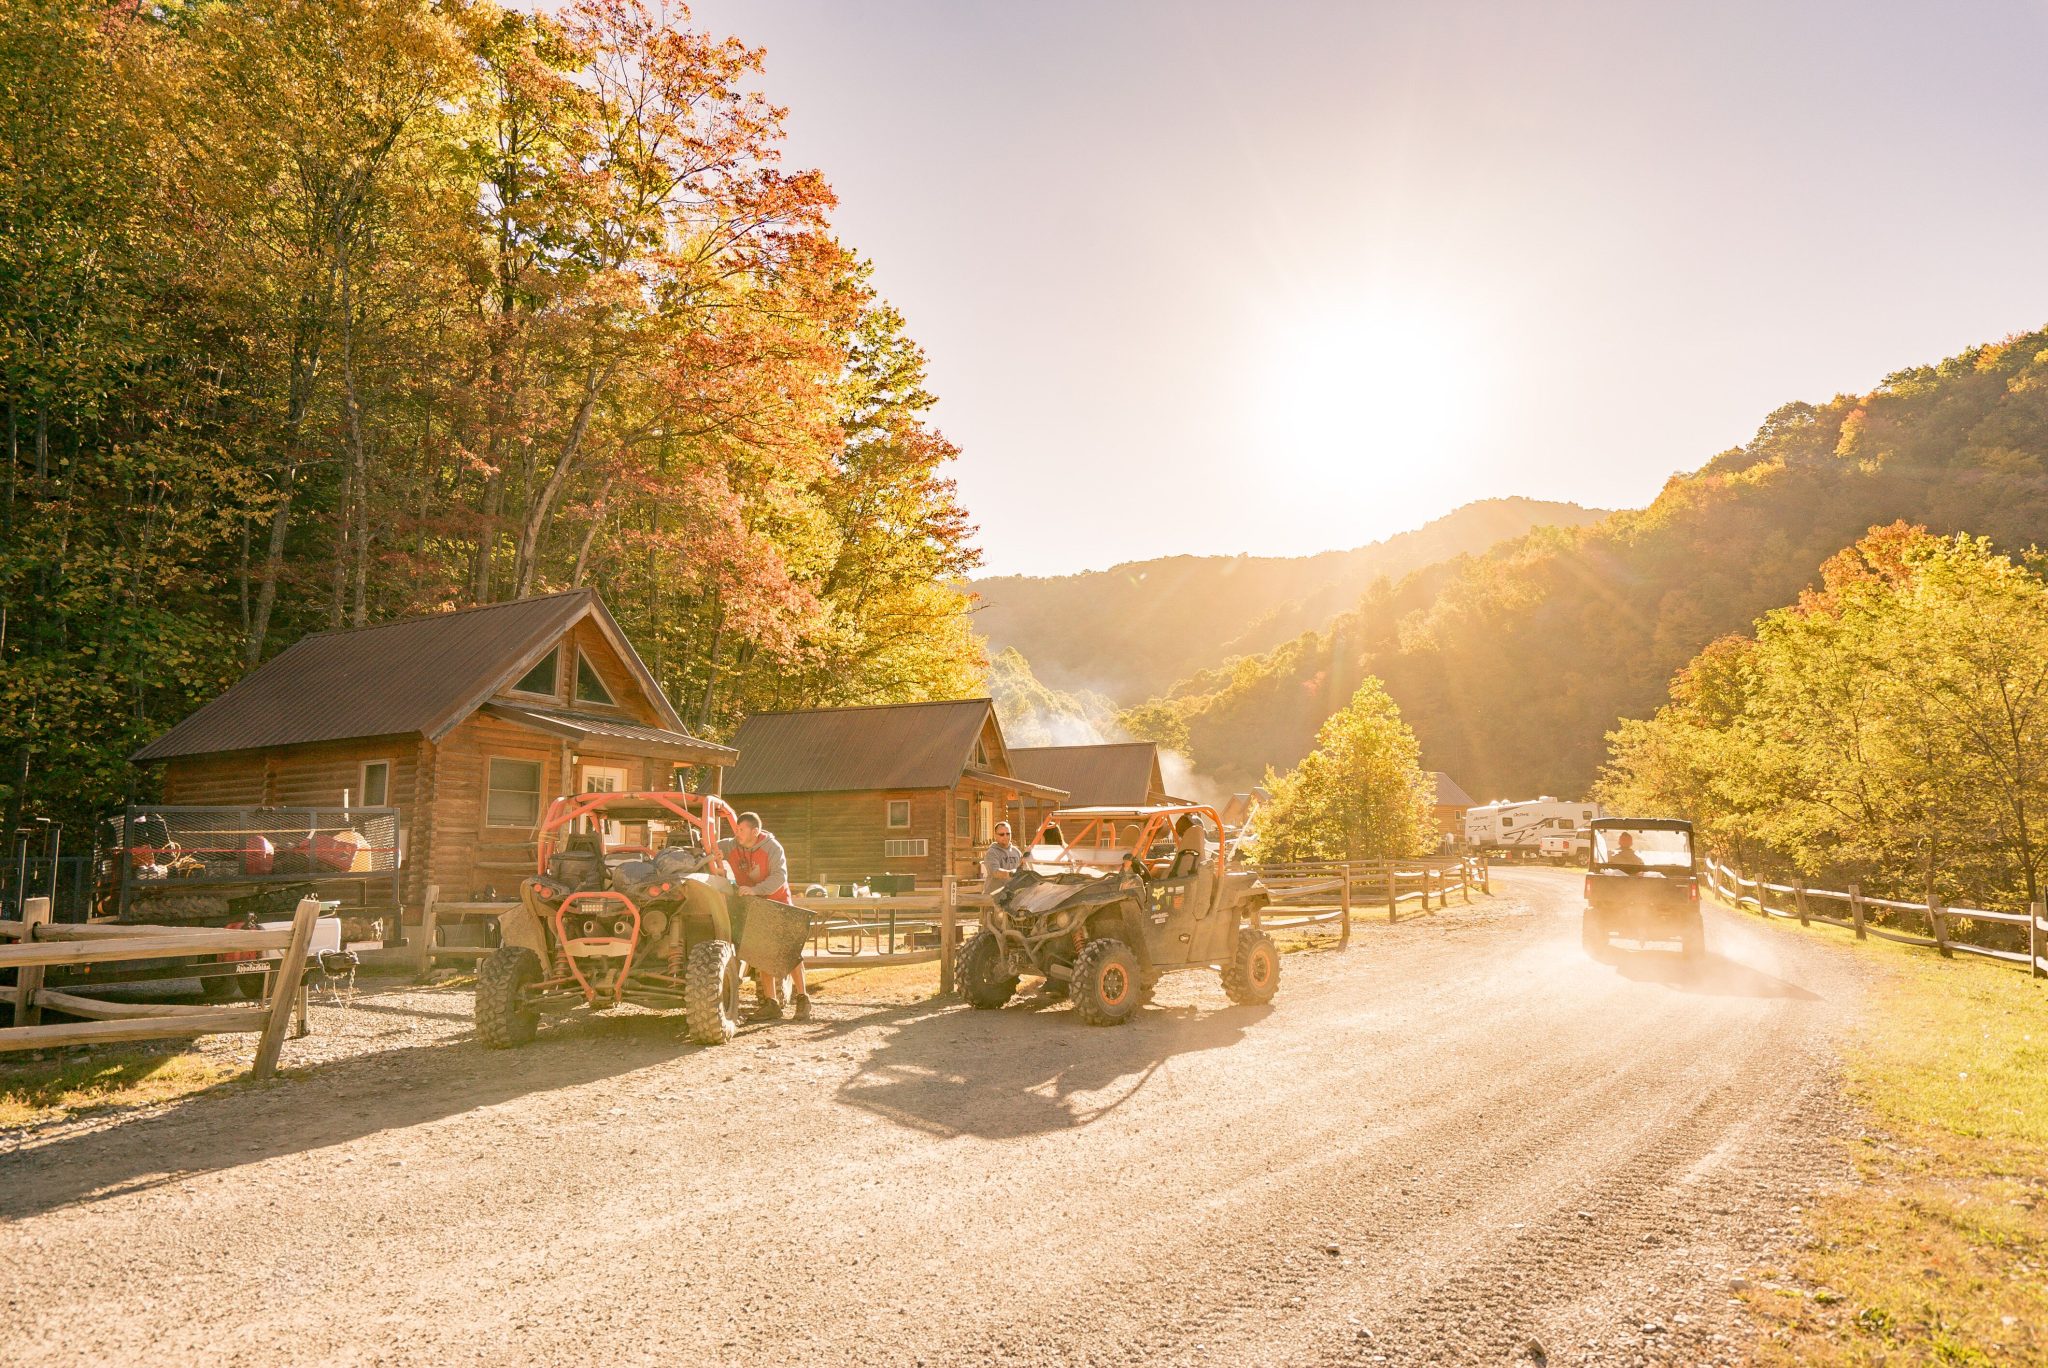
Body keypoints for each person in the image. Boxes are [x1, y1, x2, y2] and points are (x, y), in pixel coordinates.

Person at [720, 811, 810, 1022]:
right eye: (737, 829)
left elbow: (780, 877)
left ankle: (803, 999)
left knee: (790, 952)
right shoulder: (731, 845)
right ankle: (771, 1004)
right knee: (761, 953)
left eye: (742, 830)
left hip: (777, 902)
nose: (737, 833)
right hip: (754, 905)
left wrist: (756, 889)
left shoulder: (772, 848)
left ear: (755, 831)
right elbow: (710, 846)